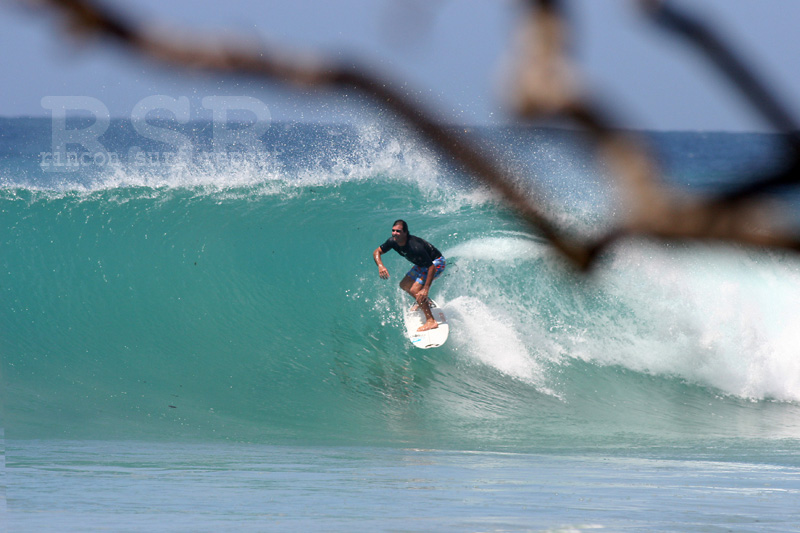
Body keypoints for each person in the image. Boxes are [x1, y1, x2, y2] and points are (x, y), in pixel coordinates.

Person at [373, 219, 446, 332]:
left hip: (436, 263)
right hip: (421, 264)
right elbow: (377, 252)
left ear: (405, 232)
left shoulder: (415, 246)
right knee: (404, 285)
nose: (395, 233)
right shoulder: (392, 241)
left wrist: (425, 289)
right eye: (393, 231)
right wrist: (380, 265)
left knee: (415, 289)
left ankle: (431, 321)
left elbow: (431, 267)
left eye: (398, 231)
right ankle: (425, 301)